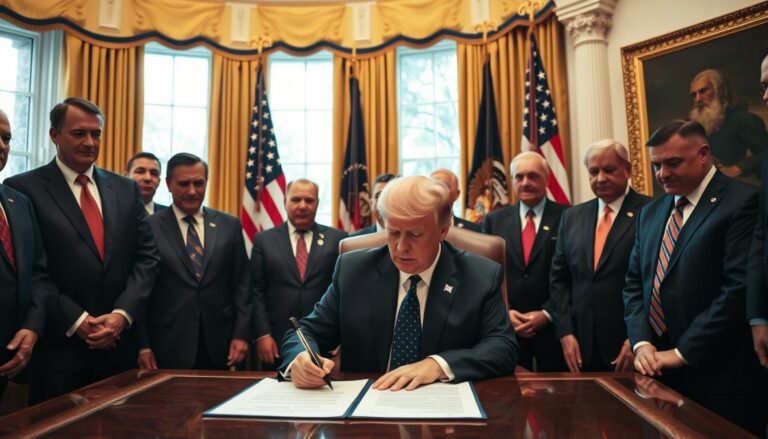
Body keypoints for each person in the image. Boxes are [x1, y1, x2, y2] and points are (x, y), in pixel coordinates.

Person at [280, 175, 518, 390]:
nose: (401, 247)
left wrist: (438, 365)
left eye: (415, 234)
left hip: (443, 407)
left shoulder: (480, 276)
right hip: (367, 404)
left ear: (443, 231)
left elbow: (503, 347)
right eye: (393, 232)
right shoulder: (353, 271)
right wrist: (301, 359)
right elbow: (305, 331)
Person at [5, 97, 159, 403]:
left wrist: (121, 315)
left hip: (119, 348)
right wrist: (78, 321)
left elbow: (147, 259)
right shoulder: (23, 189)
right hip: (58, 350)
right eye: (79, 133)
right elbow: (32, 270)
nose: (90, 142)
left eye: (96, 134)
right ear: (55, 135)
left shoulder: (125, 189)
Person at [623, 119, 759, 432]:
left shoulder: (744, 201)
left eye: (673, 163)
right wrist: (642, 343)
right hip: (658, 378)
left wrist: (682, 352)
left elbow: (738, 288)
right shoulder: (650, 213)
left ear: (703, 154)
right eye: (656, 165)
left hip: (720, 379)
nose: (662, 174)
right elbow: (634, 285)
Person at [137, 153, 251, 370]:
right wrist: (143, 345)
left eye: (198, 183)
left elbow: (242, 285)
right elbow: (141, 290)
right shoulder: (148, 227)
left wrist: (241, 334)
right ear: (168, 184)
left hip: (221, 342)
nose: (192, 191)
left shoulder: (229, 225)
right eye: (183, 184)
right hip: (167, 343)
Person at [549, 139, 651, 372]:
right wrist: (565, 332)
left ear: (628, 170)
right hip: (580, 347)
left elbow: (654, 282)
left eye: (609, 170)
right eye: (594, 172)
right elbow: (558, 280)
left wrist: (639, 338)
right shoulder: (571, 217)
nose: (601, 178)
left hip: (631, 347)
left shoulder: (651, 211)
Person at [483, 152, 567, 372]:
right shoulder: (493, 220)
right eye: (519, 177)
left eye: (533, 176)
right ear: (512, 181)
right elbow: (486, 275)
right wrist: (505, 312)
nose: (525, 182)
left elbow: (573, 274)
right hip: (508, 330)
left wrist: (547, 313)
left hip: (555, 329)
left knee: (558, 392)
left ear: (546, 179)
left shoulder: (569, 217)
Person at [250, 179, 346, 369]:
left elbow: (345, 292)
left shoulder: (338, 239)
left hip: (324, 339)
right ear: (285, 201)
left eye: (309, 200)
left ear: (317, 203)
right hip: (275, 338)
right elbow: (256, 290)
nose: (302, 206)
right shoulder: (264, 240)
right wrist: (262, 334)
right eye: (296, 199)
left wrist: (343, 337)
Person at [0, 109, 53, 399]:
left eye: (6, 138)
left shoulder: (18, 202)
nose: (2, 145)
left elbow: (38, 274)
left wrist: (32, 327)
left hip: (13, 360)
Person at [688, 69, 768, 180]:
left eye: (703, 91)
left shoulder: (744, 120)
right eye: (694, 95)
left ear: (719, 91)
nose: (698, 99)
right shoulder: (693, 128)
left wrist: (737, 168)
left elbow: (765, 153)